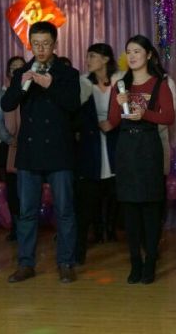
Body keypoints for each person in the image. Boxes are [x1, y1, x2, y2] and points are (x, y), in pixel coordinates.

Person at [1, 21, 80, 284]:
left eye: (46, 44)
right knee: (27, 211)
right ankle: (26, 264)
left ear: (55, 44)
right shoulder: (22, 71)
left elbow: (73, 104)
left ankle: (66, 262)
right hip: (30, 151)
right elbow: (7, 104)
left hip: (59, 150)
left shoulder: (67, 73)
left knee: (65, 210)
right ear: (30, 45)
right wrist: (19, 85)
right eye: (36, 44)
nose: (41, 49)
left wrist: (50, 85)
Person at [107, 35, 175, 285]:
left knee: (150, 208)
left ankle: (151, 262)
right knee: (130, 210)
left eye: (137, 51)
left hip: (149, 149)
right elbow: (113, 121)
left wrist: (145, 114)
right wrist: (118, 104)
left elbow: (169, 117)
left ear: (148, 55)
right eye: (129, 51)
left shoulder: (159, 84)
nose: (133, 56)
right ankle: (135, 262)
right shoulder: (120, 85)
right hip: (126, 149)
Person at [75, 43, 119, 264]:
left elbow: (128, 112)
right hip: (90, 149)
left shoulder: (120, 82)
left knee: (120, 200)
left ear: (105, 59)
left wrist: (113, 123)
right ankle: (78, 253)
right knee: (85, 205)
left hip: (115, 147)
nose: (88, 60)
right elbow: (75, 114)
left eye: (93, 56)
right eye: (88, 56)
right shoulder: (83, 83)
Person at [0, 55, 25, 241]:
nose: (17, 70)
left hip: (28, 147)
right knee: (12, 190)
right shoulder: (3, 93)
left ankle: (28, 227)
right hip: (8, 148)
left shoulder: (31, 90)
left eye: (21, 67)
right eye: (14, 68)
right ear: (8, 72)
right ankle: (15, 226)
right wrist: (9, 139)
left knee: (28, 189)